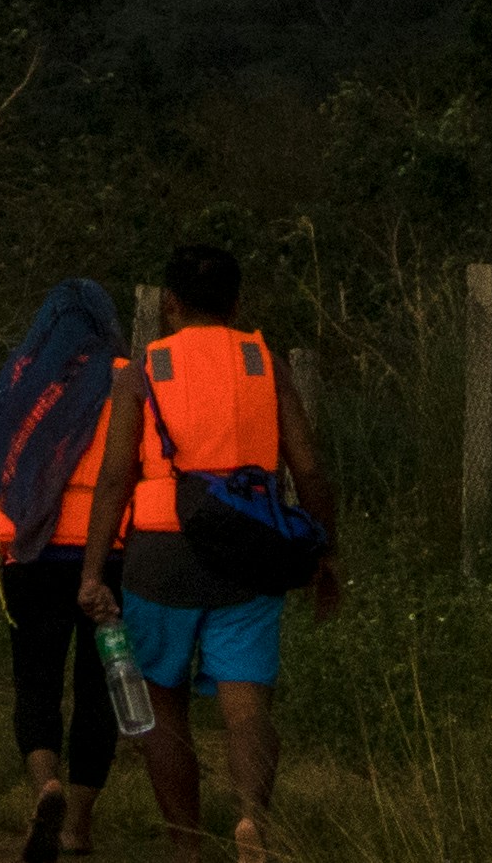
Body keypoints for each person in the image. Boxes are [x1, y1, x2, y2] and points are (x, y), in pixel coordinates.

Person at [77, 246, 334, 863]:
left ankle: (186, 845)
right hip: (251, 550)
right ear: (238, 304)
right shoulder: (264, 363)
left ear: (168, 304)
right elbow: (309, 467)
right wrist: (327, 553)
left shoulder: (142, 370)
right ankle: (250, 821)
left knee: (161, 705)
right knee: (247, 708)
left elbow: (114, 479)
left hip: (161, 554)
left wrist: (92, 572)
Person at [0, 279, 132, 863]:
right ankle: (80, 827)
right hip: (106, 555)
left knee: (36, 682)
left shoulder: (18, 377)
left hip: (27, 556)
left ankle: (47, 786)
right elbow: (122, 473)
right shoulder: (123, 376)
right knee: (98, 691)